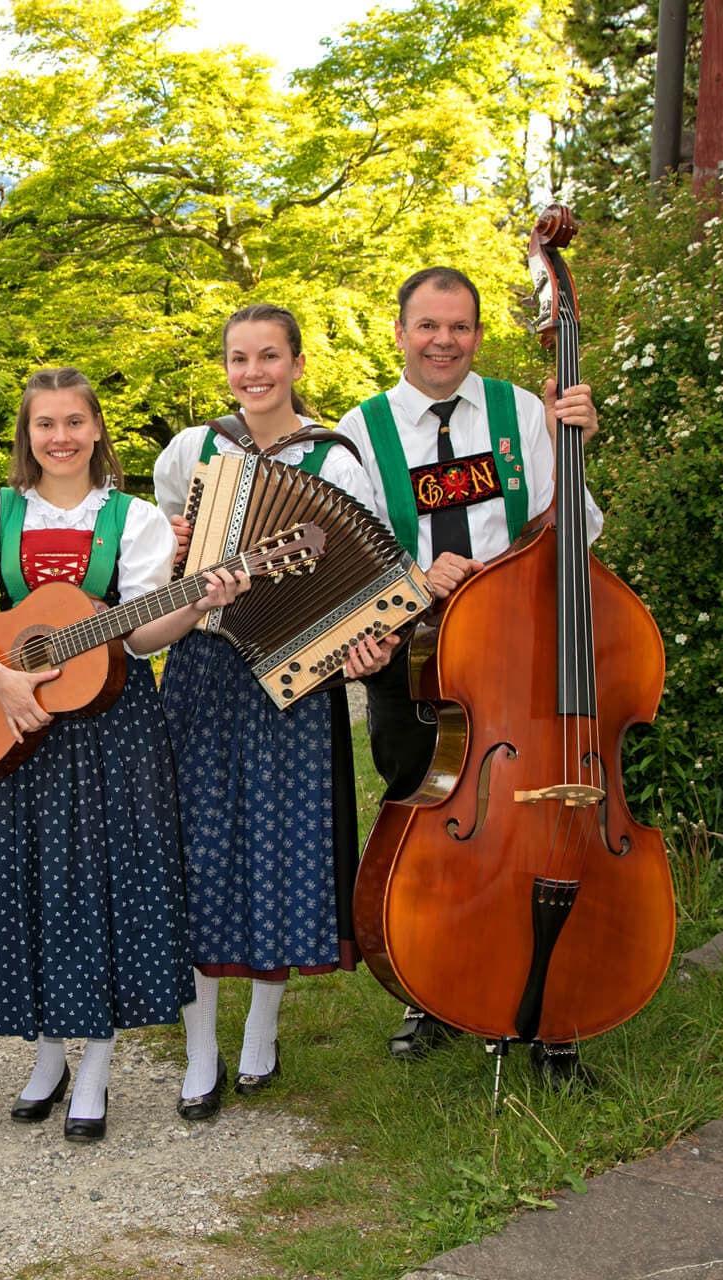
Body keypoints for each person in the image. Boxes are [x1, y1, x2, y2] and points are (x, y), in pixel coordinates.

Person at [0, 367, 244, 1142]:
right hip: (15, 722)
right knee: (28, 883)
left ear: (97, 430)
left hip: (111, 725)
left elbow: (141, 634)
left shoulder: (134, 519)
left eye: (73, 422)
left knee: (101, 889)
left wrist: (196, 603)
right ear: (26, 436)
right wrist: (2, 678)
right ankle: (48, 1054)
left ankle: (95, 1064)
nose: (60, 437)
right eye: (44, 424)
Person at [334, 266, 601, 1076]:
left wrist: (575, 451)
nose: (443, 341)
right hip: (417, 659)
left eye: (459, 327)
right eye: (427, 325)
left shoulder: (523, 414)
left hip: (521, 657)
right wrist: (415, 581)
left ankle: (550, 993)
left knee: (534, 822)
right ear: (400, 332)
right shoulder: (361, 430)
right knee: (432, 826)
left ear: (478, 335)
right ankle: (436, 990)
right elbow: (346, 563)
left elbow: (574, 533)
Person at [153, 303, 392, 1120]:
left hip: (293, 676)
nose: (252, 373)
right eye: (238, 358)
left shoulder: (335, 458)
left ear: (295, 364)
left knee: (280, 853)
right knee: (195, 855)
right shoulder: (194, 449)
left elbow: (370, 577)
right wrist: (172, 548)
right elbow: (155, 565)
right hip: (202, 666)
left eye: (267, 357)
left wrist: (365, 646)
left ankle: (261, 1030)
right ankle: (199, 1050)